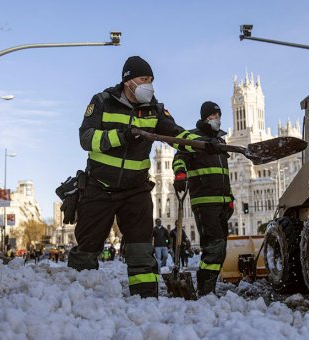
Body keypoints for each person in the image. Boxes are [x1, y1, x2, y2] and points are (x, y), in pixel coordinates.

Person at [67, 56, 222, 298]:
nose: (148, 85)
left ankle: (146, 300)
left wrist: (206, 144)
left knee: (141, 251)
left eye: (151, 80)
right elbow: (86, 138)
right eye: (143, 79)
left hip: (135, 190)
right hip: (99, 187)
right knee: (87, 249)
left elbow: (177, 135)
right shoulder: (102, 102)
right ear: (128, 81)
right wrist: (122, 136)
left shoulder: (155, 110)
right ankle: (75, 298)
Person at [172, 101, 234, 296]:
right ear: (205, 117)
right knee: (214, 247)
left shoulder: (221, 142)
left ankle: (208, 287)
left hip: (222, 201)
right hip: (205, 201)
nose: (217, 119)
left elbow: (224, 173)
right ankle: (206, 290)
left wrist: (229, 197)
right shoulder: (194, 138)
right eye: (213, 116)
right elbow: (179, 157)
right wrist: (180, 174)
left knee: (220, 248)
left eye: (218, 115)